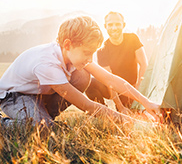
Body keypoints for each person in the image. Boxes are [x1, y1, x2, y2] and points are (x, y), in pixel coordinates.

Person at [0, 16, 161, 127]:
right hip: (14, 96)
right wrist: (135, 124)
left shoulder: (71, 55)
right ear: (68, 44)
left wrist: (146, 102)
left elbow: (110, 79)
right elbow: (88, 105)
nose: (90, 58)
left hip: (38, 95)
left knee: (83, 75)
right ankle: (5, 125)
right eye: (86, 53)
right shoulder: (47, 64)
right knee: (41, 129)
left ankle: (46, 118)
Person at [85, 12, 147, 111]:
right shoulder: (102, 49)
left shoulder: (133, 39)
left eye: (117, 24)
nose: (114, 28)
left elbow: (144, 65)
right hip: (114, 88)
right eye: (110, 24)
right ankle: (103, 111)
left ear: (123, 25)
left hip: (132, 87)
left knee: (133, 113)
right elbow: (108, 79)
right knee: (90, 83)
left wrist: (138, 89)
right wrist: (119, 106)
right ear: (105, 26)